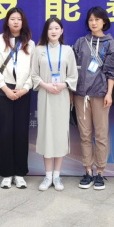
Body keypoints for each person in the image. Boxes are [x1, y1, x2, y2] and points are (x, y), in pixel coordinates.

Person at [72, 6, 114, 190]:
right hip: (81, 95)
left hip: (101, 95)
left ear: (104, 22)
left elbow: (112, 71)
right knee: (85, 135)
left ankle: (100, 171)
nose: (93, 23)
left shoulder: (111, 43)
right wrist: (72, 92)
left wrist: (109, 93)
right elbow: (72, 69)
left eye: (97, 20)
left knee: (101, 134)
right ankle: (88, 170)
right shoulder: (80, 42)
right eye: (91, 20)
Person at [0, 7, 34, 189]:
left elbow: (34, 70)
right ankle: (7, 174)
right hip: (3, 92)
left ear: (23, 22)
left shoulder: (29, 43)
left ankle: (20, 173)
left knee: (21, 133)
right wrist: (5, 88)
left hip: (23, 92)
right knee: (5, 132)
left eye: (19, 19)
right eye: (12, 18)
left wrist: (25, 88)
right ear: (7, 21)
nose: (16, 22)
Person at [31, 18, 78, 191]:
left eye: (56, 28)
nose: (53, 31)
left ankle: (57, 176)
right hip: (45, 95)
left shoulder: (67, 50)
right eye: (50, 28)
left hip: (61, 96)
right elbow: (34, 75)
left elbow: (73, 75)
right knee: (46, 134)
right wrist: (46, 85)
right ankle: (47, 176)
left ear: (62, 31)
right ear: (46, 31)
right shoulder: (38, 50)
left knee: (59, 135)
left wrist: (63, 85)